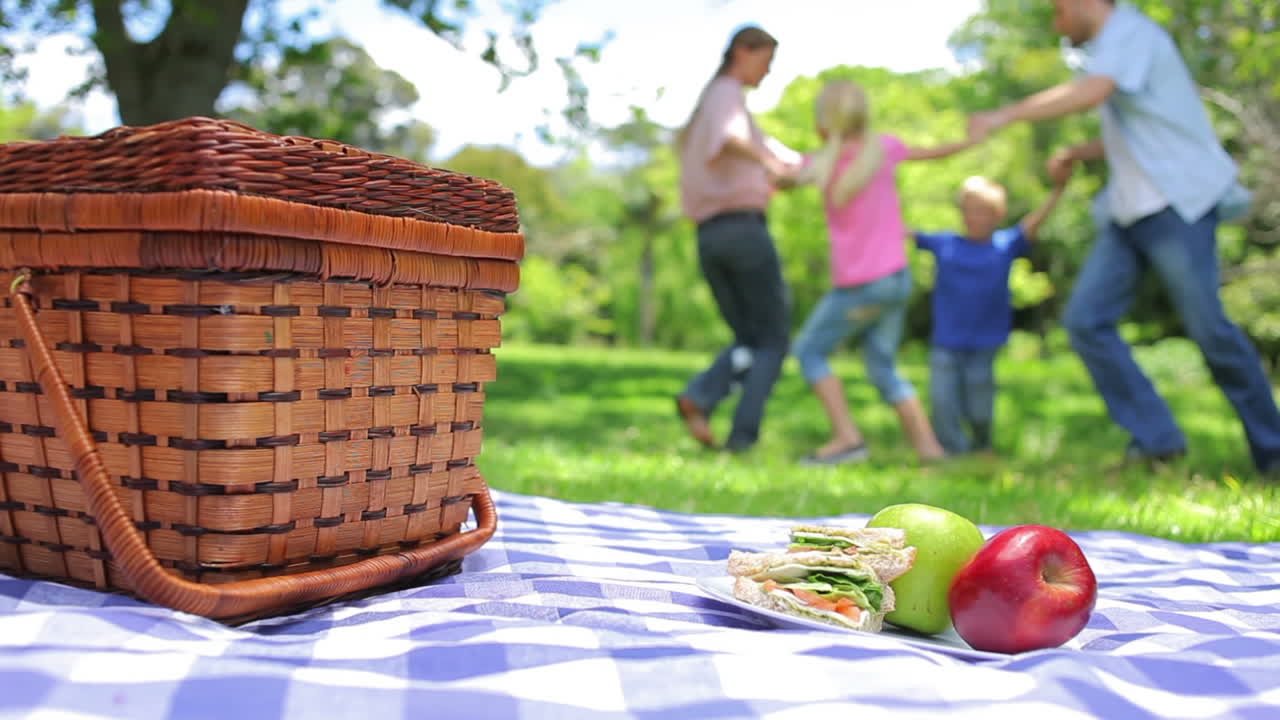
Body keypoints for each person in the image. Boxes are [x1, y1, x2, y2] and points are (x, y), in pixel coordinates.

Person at [968, 0, 1280, 474]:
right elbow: (1145, 131)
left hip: (1175, 206)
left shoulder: (1132, 33)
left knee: (1209, 329)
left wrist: (1002, 115)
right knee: (1087, 321)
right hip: (1128, 211)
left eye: (1058, 12)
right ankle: (1158, 441)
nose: (1057, 23)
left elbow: (1092, 91)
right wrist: (1081, 150)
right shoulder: (1114, 47)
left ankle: (1273, 451)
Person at [783, 79, 971, 465]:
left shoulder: (821, 164)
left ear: (824, 122)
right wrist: (973, 139)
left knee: (809, 351)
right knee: (882, 364)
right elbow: (934, 152)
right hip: (896, 279)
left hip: (862, 286)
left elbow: (778, 174)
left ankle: (846, 439)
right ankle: (930, 451)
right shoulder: (883, 149)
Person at [674, 25, 799, 453]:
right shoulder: (727, 94)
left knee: (749, 338)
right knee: (773, 340)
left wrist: (777, 169)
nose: (767, 72)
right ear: (743, 52)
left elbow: (761, 154)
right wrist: (768, 162)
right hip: (743, 232)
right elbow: (733, 138)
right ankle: (742, 440)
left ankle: (701, 396)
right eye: (766, 61)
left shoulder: (710, 103)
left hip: (711, 237)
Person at [914, 172, 1069, 456]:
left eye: (982, 212)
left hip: (985, 342)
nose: (974, 218)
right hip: (946, 340)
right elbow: (904, 233)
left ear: (998, 216)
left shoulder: (1004, 244)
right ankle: (952, 450)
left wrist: (1057, 191)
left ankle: (981, 444)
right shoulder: (945, 243)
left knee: (979, 400)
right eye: (968, 211)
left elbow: (1033, 223)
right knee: (942, 398)